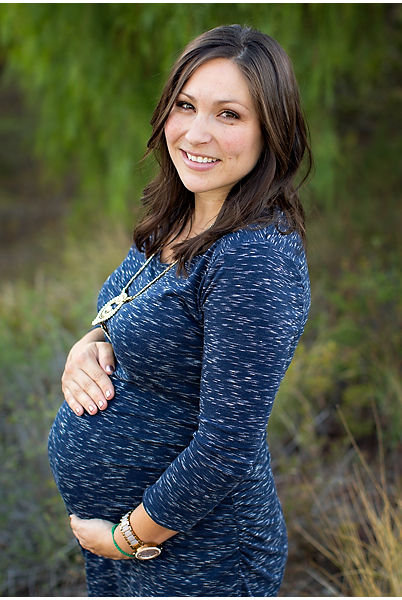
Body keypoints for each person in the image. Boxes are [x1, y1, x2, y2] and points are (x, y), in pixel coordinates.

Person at [47, 24, 312, 596]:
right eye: (185, 105)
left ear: (273, 129)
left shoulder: (252, 256)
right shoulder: (181, 215)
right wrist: (89, 344)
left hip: (203, 557)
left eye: (229, 115)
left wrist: (128, 538)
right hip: (142, 548)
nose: (197, 132)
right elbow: (118, 307)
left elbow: (225, 447)